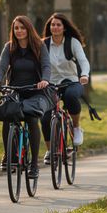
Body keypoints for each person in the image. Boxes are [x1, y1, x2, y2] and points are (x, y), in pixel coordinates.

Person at [0, 16, 51, 179]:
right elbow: (1, 66)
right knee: (6, 115)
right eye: (16, 28)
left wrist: (44, 80)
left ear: (28, 29)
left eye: (22, 28)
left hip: (35, 91)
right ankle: (9, 154)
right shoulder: (9, 47)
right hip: (14, 90)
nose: (19, 31)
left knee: (31, 120)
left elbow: (46, 65)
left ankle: (34, 165)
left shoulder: (39, 46)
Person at [41, 12, 92, 154]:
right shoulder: (43, 44)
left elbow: (83, 61)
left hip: (71, 81)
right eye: (52, 25)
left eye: (58, 25)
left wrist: (84, 75)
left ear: (64, 27)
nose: (55, 27)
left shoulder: (72, 42)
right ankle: (51, 151)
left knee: (70, 96)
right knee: (45, 117)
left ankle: (76, 128)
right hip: (50, 84)